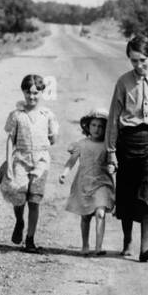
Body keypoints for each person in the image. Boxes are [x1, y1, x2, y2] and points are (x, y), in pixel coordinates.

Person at [105, 35, 148, 261]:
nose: (138, 65)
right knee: (126, 194)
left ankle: (145, 248)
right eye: (134, 61)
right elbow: (114, 117)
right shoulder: (123, 82)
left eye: (142, 60)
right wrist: (111, 151)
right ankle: (127, 241)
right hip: (128, 142)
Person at [2, 74, 59, 253]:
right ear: (23, 92)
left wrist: (52, 135)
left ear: (42, 92)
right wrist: (9, 163)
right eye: (28, 93)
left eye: (36, 93)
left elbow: (53, 138)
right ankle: (19, 221)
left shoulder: (47, 114)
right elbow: (10, 139)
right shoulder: (17, 115)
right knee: (18, 195)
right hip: (21, 158)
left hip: (40, 161)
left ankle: (30, 239)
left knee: (34, 201)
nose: (32, 97)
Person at [58, 108, 115, 255]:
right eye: (94, 125)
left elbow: (113, 162)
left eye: (101, 126)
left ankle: (99, 247)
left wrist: (112, 167)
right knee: (85, 216)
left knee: (100, 213)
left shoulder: (108, 146)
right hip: (84, 183)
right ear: (88, 126)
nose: (97, 129)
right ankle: (85, 245)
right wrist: (64, 173)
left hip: (102, 182)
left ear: (106, 129)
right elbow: (71, 162)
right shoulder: (81, 144)